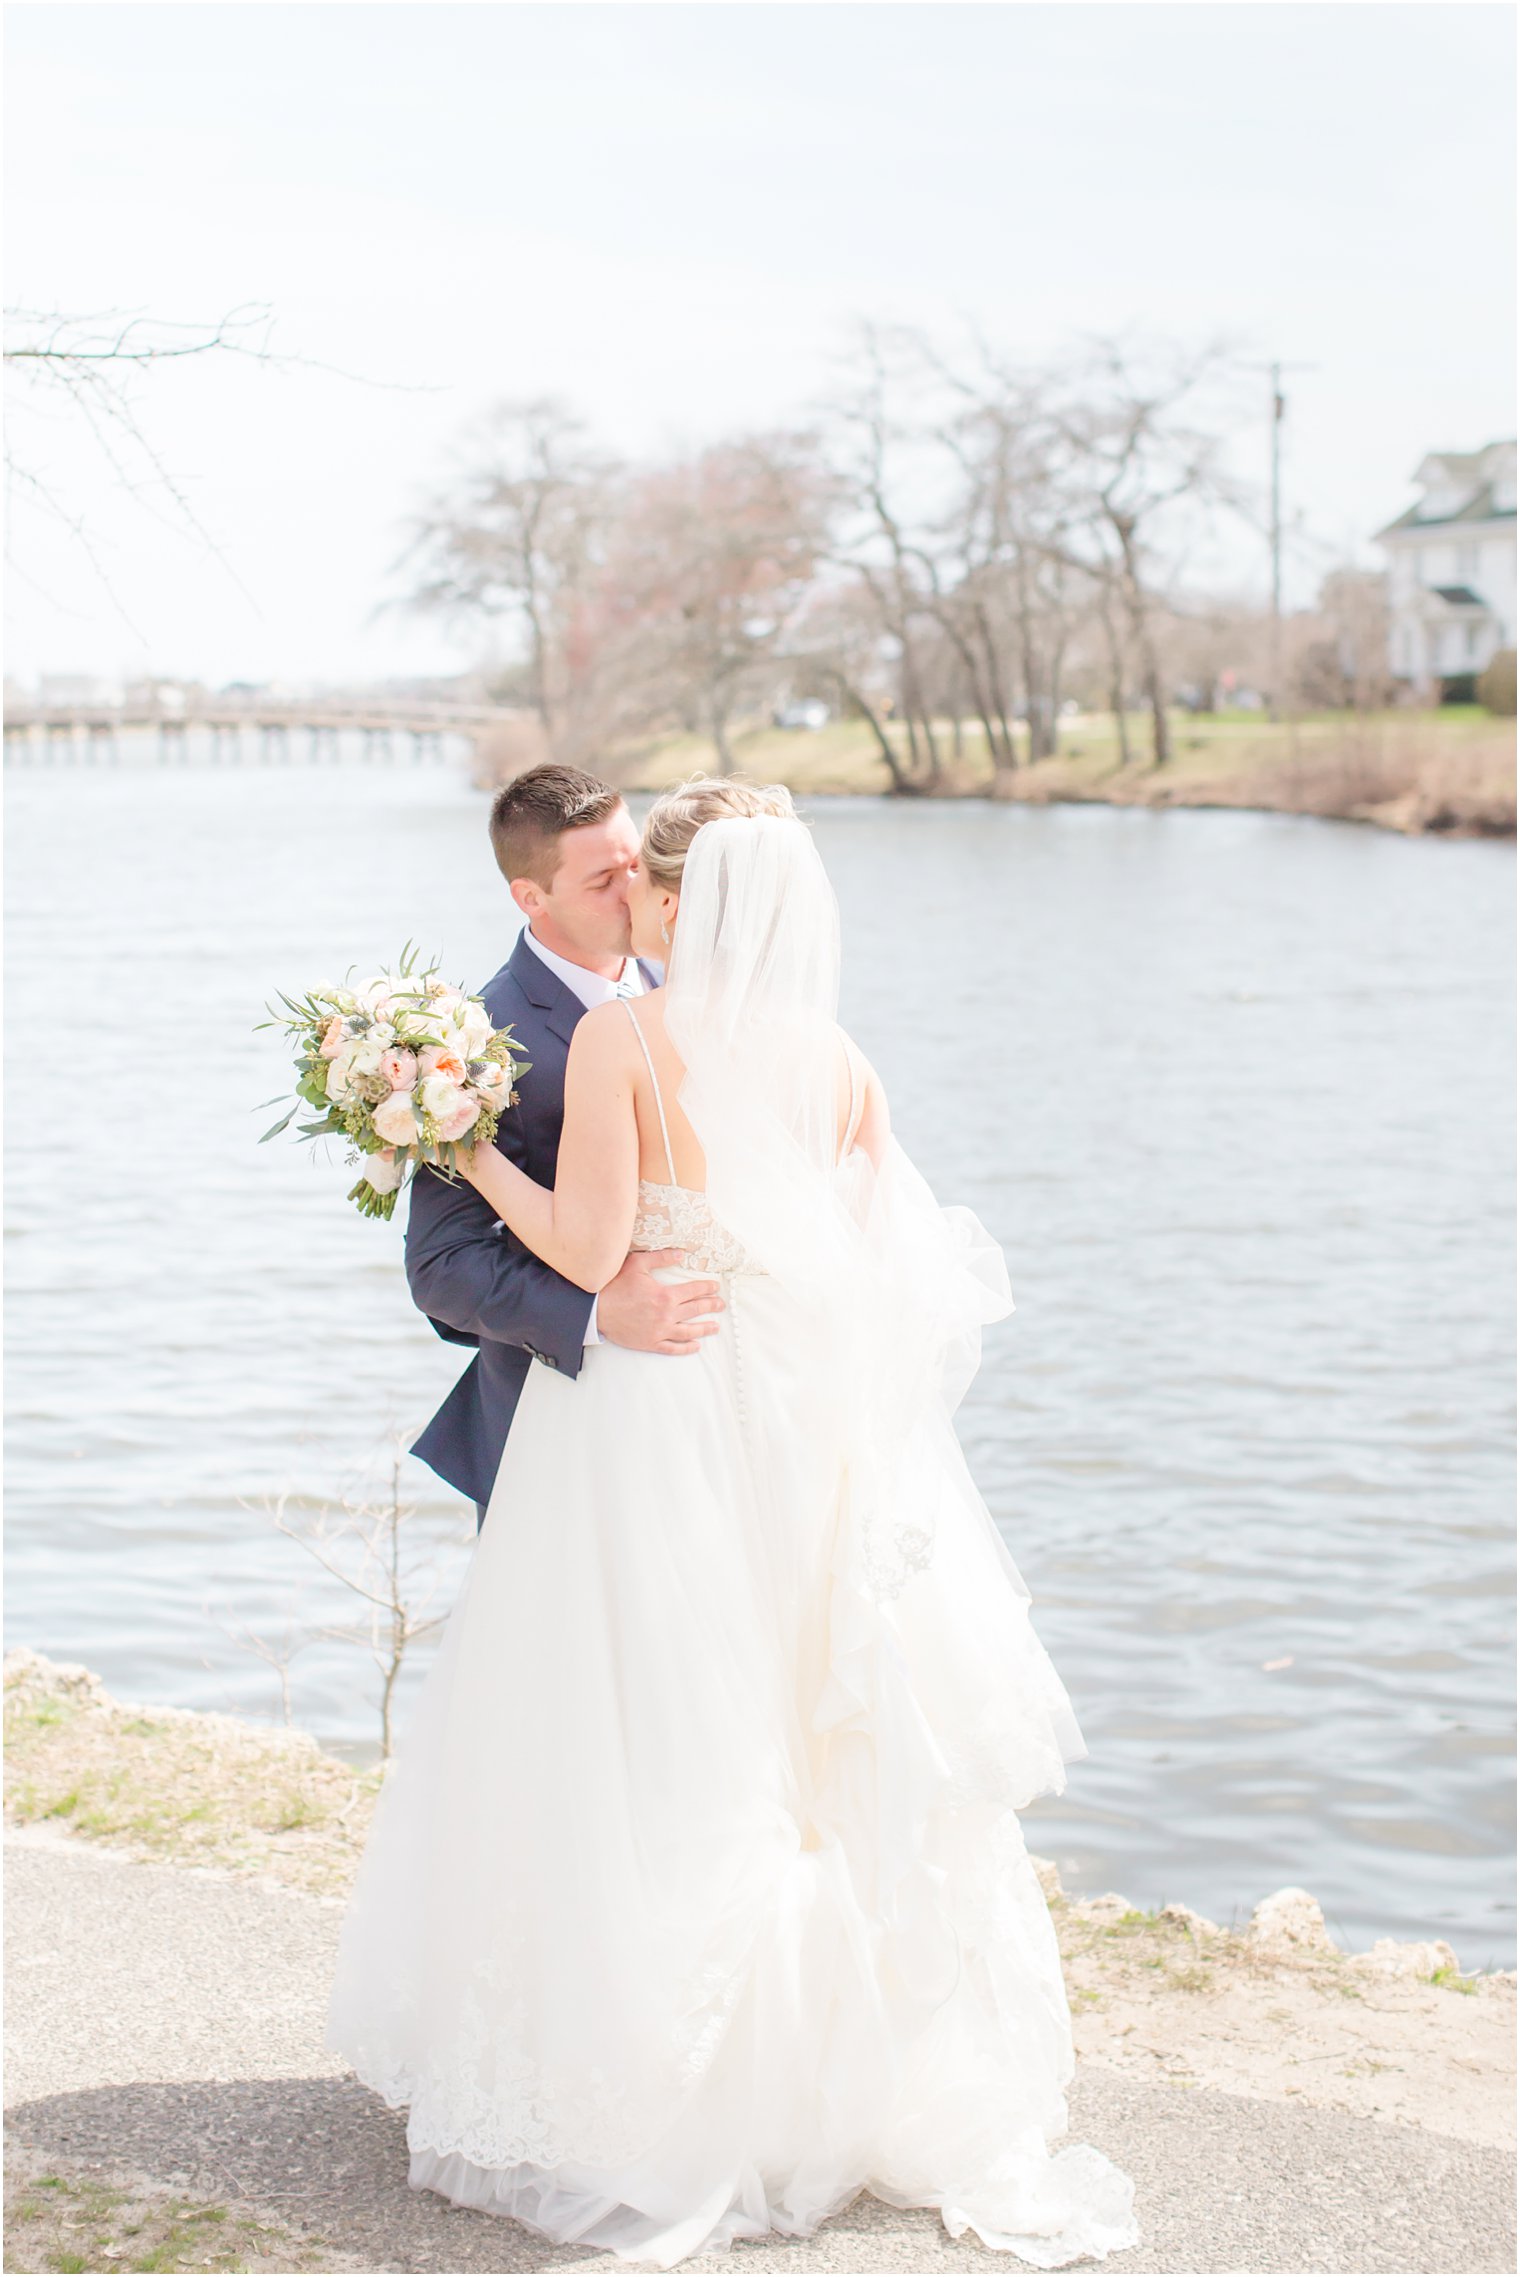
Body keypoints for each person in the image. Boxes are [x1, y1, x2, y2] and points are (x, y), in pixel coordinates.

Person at [326, 776, 1140, 2269]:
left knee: (647, 1731)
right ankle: (830, 2078)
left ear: (680, 898)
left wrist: (458, 1148)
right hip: (795, 1433)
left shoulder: (636, 1035)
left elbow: (579, 1240)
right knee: (784, 1727)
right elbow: (880, 1274)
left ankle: (656, 2074)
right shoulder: (839, 1060)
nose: (628, 892)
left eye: (645, 872)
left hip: (650, 1425)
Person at [403, 763, 728, 1528]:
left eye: (636, 864)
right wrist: (596, 1311)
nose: (635, 892)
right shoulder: (472, 1046)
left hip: (710, 1401)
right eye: (602, 880)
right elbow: (440, 1270)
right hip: (556, 1433)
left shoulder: (701, 988)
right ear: (531, 897)